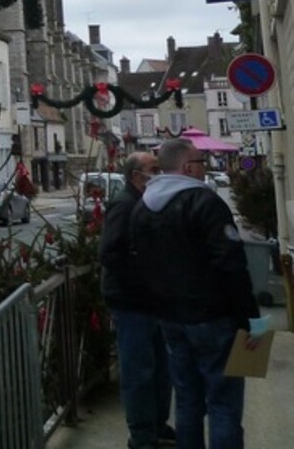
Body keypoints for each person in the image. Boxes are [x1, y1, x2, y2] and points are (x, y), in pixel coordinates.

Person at [130, 137, 263, 449]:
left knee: (188, 401)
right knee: (223, 403)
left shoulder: (144, 208)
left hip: (171, 318)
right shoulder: (206, 203)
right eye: (202, 162)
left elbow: (141, 264)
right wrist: (250, 319)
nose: (205, 168)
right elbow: (231, 265)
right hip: (213, 317)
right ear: (188, 167)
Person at [99, 151, 174, 448]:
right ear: (136, 176)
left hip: (151, 300)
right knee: (139, 372)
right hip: (132, 302)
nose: (159, 173)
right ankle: (142, 436)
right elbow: (109, 253)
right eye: (153, 169)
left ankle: (156, 425)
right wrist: (142, 277)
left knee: (159, 368)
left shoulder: (146, 202)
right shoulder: (124, 204)